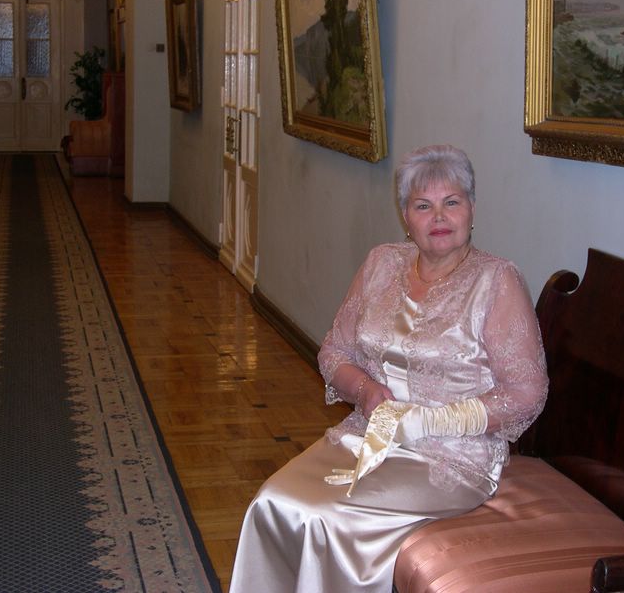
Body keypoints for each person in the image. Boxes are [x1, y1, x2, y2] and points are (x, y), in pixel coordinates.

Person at [228, 144, 549, 593]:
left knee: (323, 518)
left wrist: (429, 421)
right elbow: (333, 352)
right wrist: (364, 391)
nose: (439, 217)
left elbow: (526, 391)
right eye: (423, 206)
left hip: (452, 458)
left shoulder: (496, 281)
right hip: (368, 436)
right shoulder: (382, 262)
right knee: (273, 500)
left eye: (451, 202)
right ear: (405, 217)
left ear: (472, 209)